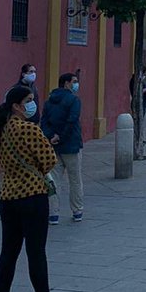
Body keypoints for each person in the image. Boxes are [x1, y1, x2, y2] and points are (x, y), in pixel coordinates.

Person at [0, 84, 61, 292]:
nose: (32, 104)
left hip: (8, 196)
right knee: (36, 251)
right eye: (28, 100)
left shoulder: (1, 130)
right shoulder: (29, 129)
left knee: (8, 252)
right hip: (33, 195)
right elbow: (49, 160)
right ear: (17, 106)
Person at [41, 73, 84, 224]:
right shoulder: (74, 100)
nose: (76, 84)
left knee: (53, 180)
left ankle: (53, 213)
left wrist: (51, 136)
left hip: (53, 146)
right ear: (66, 83)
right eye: (74, 81)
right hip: (71, 144)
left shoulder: (49, 102)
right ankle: (77, 210)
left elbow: (44, 122)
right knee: (75, 180)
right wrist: (61, 136)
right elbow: (72, 120)